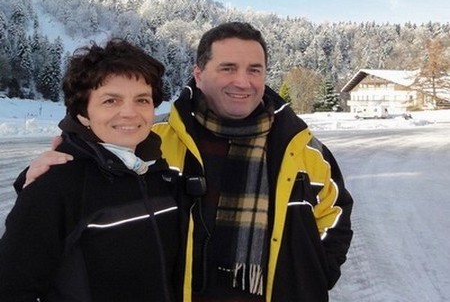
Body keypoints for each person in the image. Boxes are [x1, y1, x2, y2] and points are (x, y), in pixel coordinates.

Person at [17, 22, 353, 301]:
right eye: (227, 68)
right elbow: (91, 169)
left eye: (255, 69)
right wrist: (37, 176)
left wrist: (311, 281)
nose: (242, 81)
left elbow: (335, 220)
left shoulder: (305, 149)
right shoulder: (155, 140)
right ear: (198, 73)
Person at [0, 39, 189, 302]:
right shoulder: (55, 186)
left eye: (142, 100)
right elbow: (11, 289)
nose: (130, 113)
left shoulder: (160, 176)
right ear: (83, 114)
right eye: (111, 100)